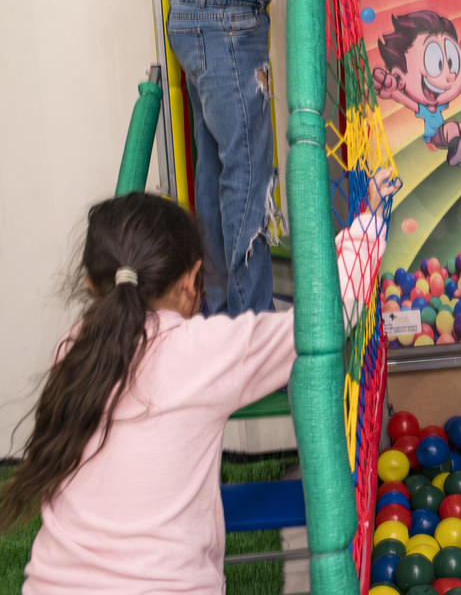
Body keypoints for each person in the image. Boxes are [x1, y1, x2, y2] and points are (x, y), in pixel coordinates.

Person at [2, 171, 396, 593]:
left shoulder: (73, 347)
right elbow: (325, 319)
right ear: (192, 282)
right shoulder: (201, 350)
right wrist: (370, 219)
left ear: (88, 282)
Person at [124, 0, 344, 315]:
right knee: (247, 170)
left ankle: (221, 309)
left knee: (218, 169)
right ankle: (249, 315)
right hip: (225, 21)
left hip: (204, 19)